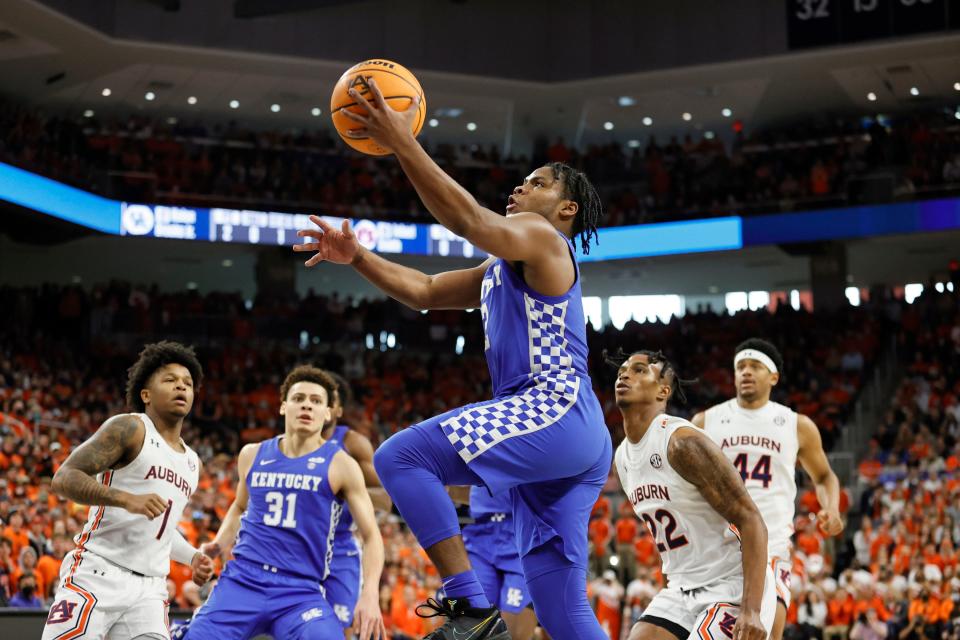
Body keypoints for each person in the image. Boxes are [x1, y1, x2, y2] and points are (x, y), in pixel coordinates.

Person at [296, 76, 611, 640]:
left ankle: (467, 606)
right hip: (572, 436)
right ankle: (474, 607)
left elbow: (469, 220)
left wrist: (403, 143)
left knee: (402, 458)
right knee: (562, 609)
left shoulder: (543, 238)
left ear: (565, 208)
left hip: (553, 404)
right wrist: (359, 257)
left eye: (534, 184)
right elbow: (422, 290)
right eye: (520, 181)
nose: (519, 189)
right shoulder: (501, 269)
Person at [181, 365, 385, 640]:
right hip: (243, 580)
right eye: (299, 398)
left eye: (316, 401)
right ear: (283, 406)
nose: (307, 406)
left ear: (327, 413)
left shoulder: (341, 464)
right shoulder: (252, 454)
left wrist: (370, 594)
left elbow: (372, 535)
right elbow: (240, 507)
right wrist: (219, 543)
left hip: (300, 590)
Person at [43, 341, 214, 640]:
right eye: (170, 380)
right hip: (98, 572)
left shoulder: (192, 463)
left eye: (187, 383)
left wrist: (191, 556)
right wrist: (125, 498)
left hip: (150, 591)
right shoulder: (131, 428)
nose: (181, 387)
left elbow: (160, 528)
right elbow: (64, 477)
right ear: (145, 394)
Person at [611, 349, 776, 640]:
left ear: (663, 391)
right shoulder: (622, 458)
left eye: (639, 370)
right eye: (622, 369)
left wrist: (751, 610)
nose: (625, 374)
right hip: (682, 589)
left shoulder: (681, 444)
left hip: (733, 585)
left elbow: (752, 520)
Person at [692, 338, 844, 640]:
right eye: (741, 367)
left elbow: (825, 477)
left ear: (773, 376)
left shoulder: (795, 424)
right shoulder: (705, 421)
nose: (746, 372)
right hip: (717, 545)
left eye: (755, 366)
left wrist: (832, 508)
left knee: (766, 632)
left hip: (772, 543)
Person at [321, 370, 392, 631]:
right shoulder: (291, 444)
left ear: (338, 409)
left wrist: (347, 490)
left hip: (340, 545)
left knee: (339, 628)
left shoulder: (353, 444)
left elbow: (386, 498)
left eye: (330, 400)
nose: (323, 406)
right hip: (301, 544)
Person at [449, 486, 541, 640]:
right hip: (481, 533)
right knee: (469, 622)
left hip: (523, 532)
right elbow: (452, 490)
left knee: (513, 634)